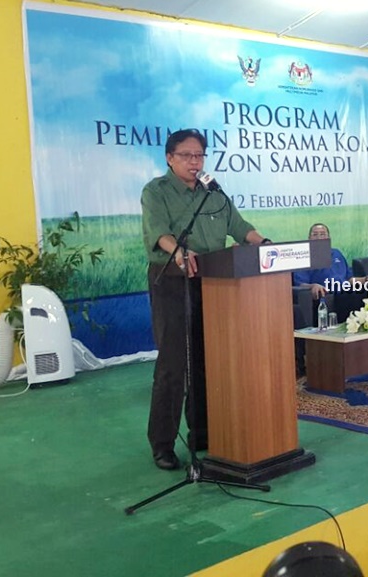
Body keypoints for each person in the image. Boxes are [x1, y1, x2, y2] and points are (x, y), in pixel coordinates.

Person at [141, 128, 271, 471]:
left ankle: (203, 433)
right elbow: (159, 233)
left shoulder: (214, 194)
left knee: (206, 360)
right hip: (171, 281)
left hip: (213, 284)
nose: (194, 162)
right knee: (173, 364)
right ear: (170, 158)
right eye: (186, 155)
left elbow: (241, 227)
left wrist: (266, 244)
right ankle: (163, 444)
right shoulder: (156, 191)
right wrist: (180, 251)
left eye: (199, 155)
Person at [293, 223, 368, 323]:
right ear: (309, 238)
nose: (319, 237)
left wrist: (367, 279)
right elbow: (300, 283)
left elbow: (349, 278)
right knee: (354, 297)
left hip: (346, 289)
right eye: (315, 234)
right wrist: (313, 285)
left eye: (322, 234)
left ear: (328, 237)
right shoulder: (303, 257)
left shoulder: (336, 253)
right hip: (330, 292)